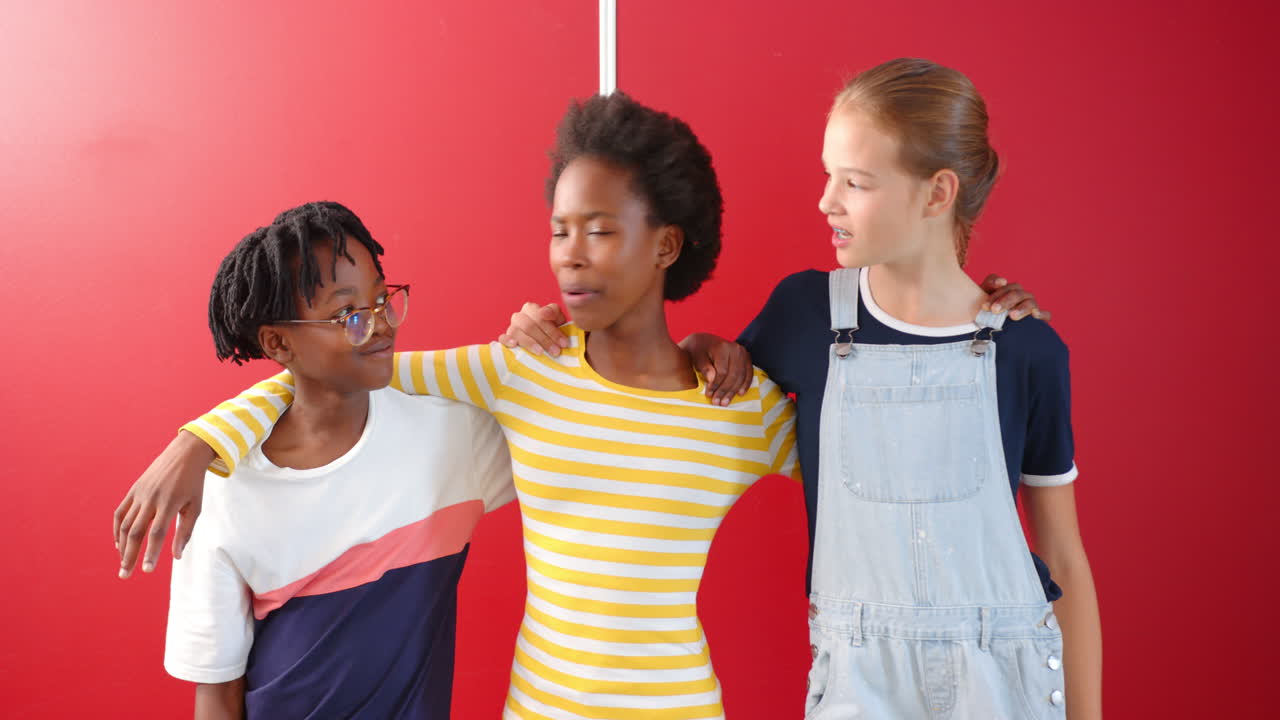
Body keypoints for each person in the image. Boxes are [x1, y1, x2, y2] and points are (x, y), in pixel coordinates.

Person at [504, 59, 1101, 718]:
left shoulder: (1027, 349)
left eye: (857, 183)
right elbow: (686, 388)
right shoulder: (805, 314)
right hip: (860, 684)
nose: (827, 201)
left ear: (937, 195)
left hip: (1005, 681)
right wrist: (572, 326)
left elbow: (1064, 561)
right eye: (828, 175)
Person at [161, 201, 514, 718]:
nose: (380, 326)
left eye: (383, 299)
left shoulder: (451, 439)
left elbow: (576, 411)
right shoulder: (223, 489)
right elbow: (216, 692)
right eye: (349, 314)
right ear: (278, 342)